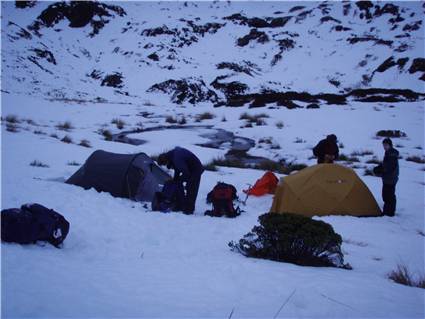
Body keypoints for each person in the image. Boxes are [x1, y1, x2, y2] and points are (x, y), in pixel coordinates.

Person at [157, 147, 204, 215]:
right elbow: (177, 169)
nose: (167, 166)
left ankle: (189, 210)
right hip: (190, 167)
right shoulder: (172, 154)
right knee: (181, 183)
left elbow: (186, 173)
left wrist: (179, 180)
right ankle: (182, 205)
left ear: (166, 160)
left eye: (165, 164)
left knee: (191, 187)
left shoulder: (176, 159)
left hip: (196, 168)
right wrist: (175, 179)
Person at [379, 138, 399, 216]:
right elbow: (386, 165)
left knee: (389, 196)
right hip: (387, 178)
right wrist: (380, 167)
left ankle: (389, 213)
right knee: (386, 195)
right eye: (383, 145)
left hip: (391, 178)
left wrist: (381, 169)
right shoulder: (389, 153)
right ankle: (388, 211)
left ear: (390, 145)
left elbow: (389, 166)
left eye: (386, 145)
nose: (384, 146)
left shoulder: (392, 154)